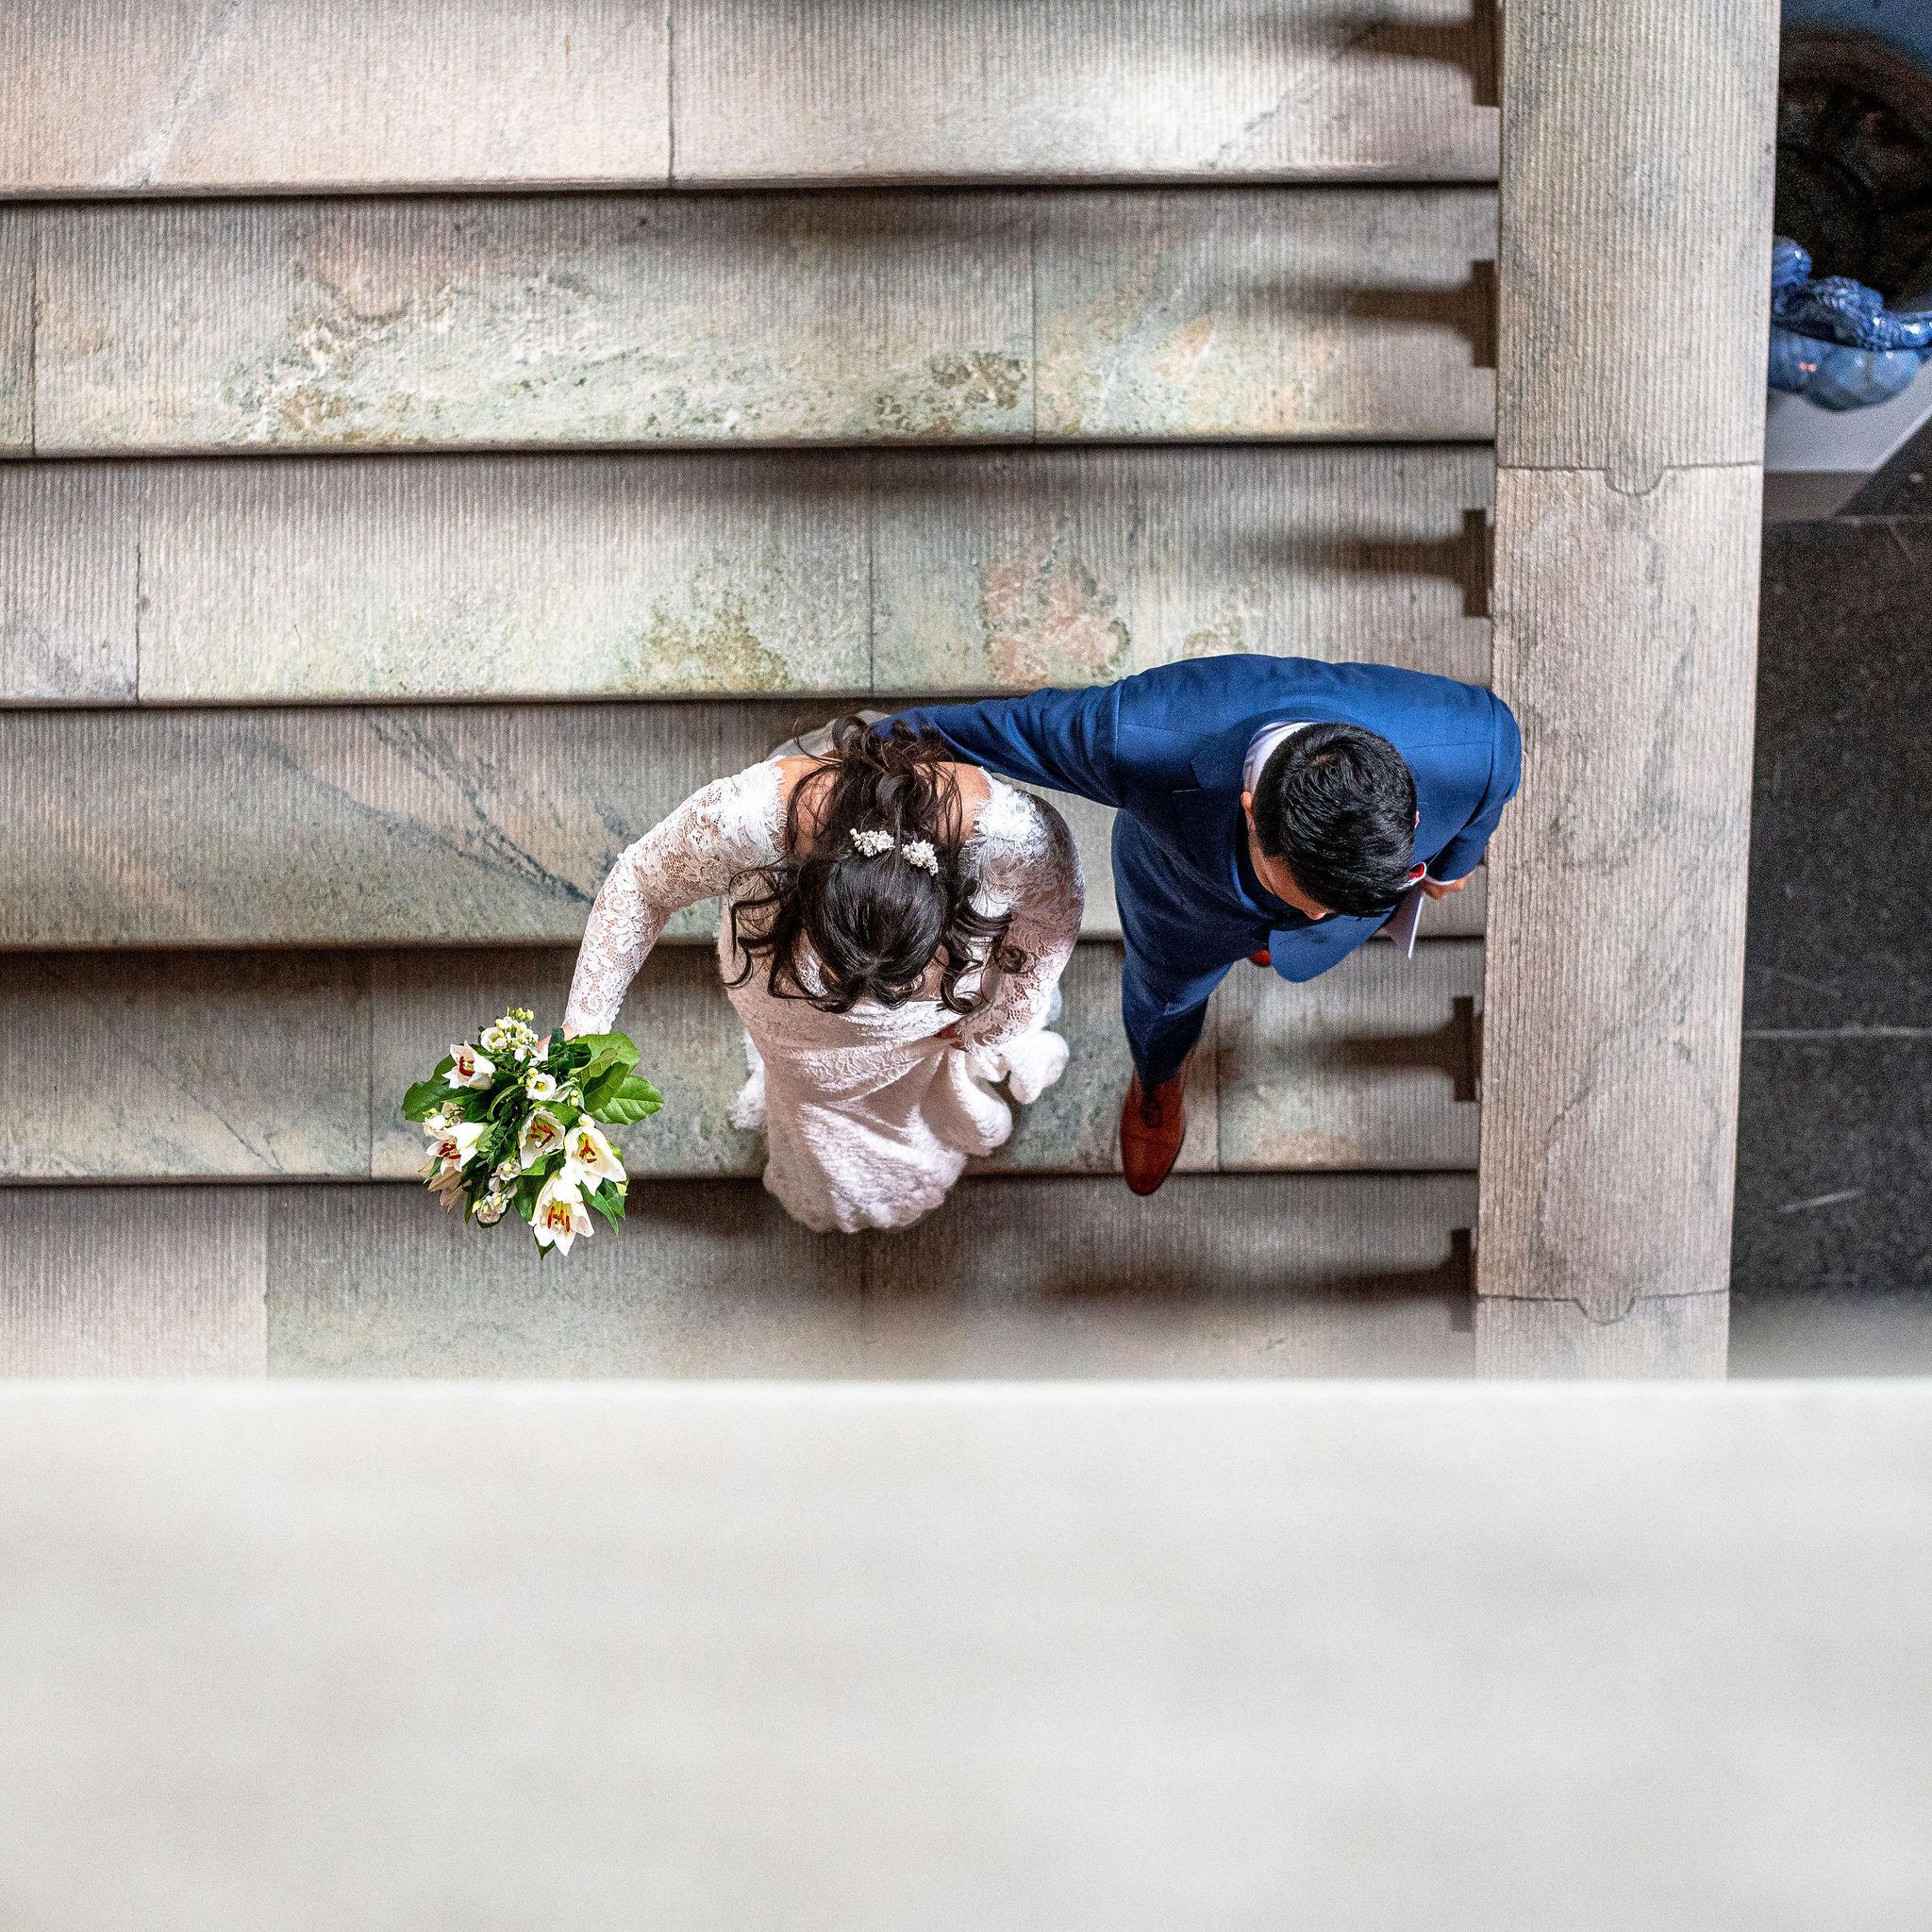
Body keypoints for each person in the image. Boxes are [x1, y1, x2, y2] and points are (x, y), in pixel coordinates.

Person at [891, 655, 1521, 1195]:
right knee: (1161, 1004)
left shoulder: (1480, 744)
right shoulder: (1137, 735)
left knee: (1304, 928)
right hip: (1181, 903)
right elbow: (947, 734)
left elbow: (1486, 800)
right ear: (1250, 811)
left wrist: (1449, 864)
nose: (1317, 918)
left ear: (1410, 818)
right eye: (1303, 897)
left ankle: (1273, 943)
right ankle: (1158, 1080)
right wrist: (825, 778)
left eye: (1334, 904)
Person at [562, 718, 1083, 1234]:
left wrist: (991, 1027)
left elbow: (1053, 922)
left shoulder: (1015, 840)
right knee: (811, 1092)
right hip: (788, 1004)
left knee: (903, 1082)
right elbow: (640, 885)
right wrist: (581, 1029)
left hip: (925, 1019)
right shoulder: (745, 820)